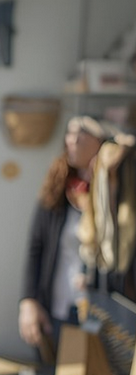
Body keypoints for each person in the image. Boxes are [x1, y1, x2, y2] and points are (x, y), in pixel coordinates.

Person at [18, 115, 111, 358]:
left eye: (81, 134)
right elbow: (36, 246)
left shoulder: (112, 191)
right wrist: (29, 301)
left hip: (100, 311)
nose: (72, 140)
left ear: (100, 142)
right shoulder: (59, 184)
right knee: (63, 373)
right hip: (59, 306)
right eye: (70, 133)